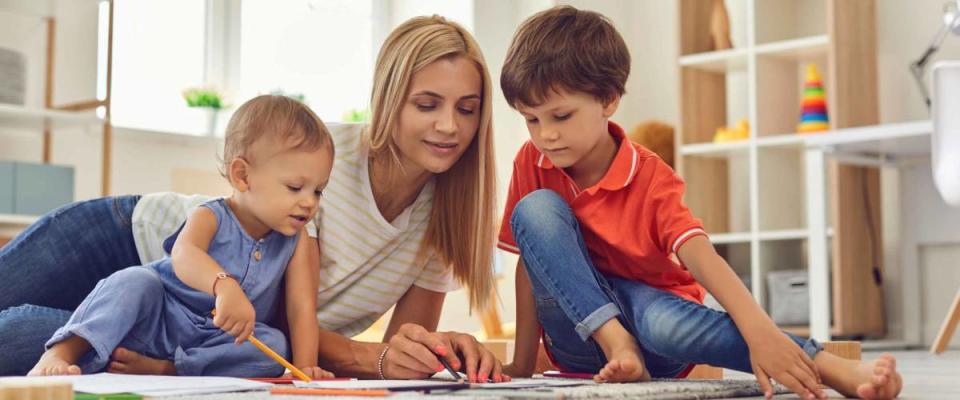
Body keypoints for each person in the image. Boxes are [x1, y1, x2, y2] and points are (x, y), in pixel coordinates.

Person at [0, 15, 505, 383]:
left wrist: (436, 354)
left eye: (467, 109)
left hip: (185, 324)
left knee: (45, 347)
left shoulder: (449, 220)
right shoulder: (323, 162)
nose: (449, 126)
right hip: (126, 239)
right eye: (427, 104)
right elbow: (304, 323)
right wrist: (362, 359)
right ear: (389, 99)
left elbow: (399, 348)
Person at [496, 6, 901, 399]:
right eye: (532, 120)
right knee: (535, 209)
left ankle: (829, 367)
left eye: (560, 116)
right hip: (580, 338)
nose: (545, 135)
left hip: (655, 337)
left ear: (608, 100)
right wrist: (522, 361)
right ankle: (616, 341)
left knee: (657, 316)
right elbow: (531, 266)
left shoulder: (650, 176)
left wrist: (762, 331)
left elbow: (701, 257)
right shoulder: (532, 163)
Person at [28, 95, 335, 378]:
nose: (309, 202)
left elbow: (300, 308)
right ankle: (59, 352)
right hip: (159, 318)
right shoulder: (211, 215)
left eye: (318, 190)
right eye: (295, 187)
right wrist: (223, 285)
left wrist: (306, 369)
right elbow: (184, 255)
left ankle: (169, 368)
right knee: (135, 281)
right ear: (242, 176)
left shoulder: (295, 242)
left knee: (275, 345)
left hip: (213, 340)